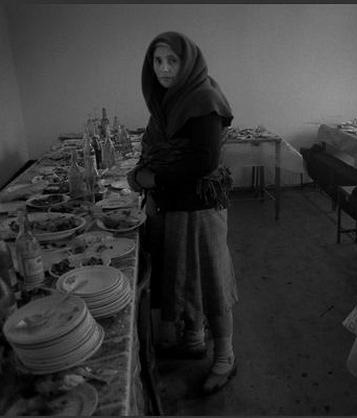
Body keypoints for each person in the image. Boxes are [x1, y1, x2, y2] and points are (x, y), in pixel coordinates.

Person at [127, 31, 237, 394]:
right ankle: (193, 338)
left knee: (210, 278)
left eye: (172, 60)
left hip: (199, 207)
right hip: (173, 203)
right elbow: (159, 148)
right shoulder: (168, 99)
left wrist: (153, 176)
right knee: (184, 275)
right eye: (157, 61)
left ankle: (225, 356)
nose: (164, 68)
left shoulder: (203, 99)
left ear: (188, 62)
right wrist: (147, 173)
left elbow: (205, 161)